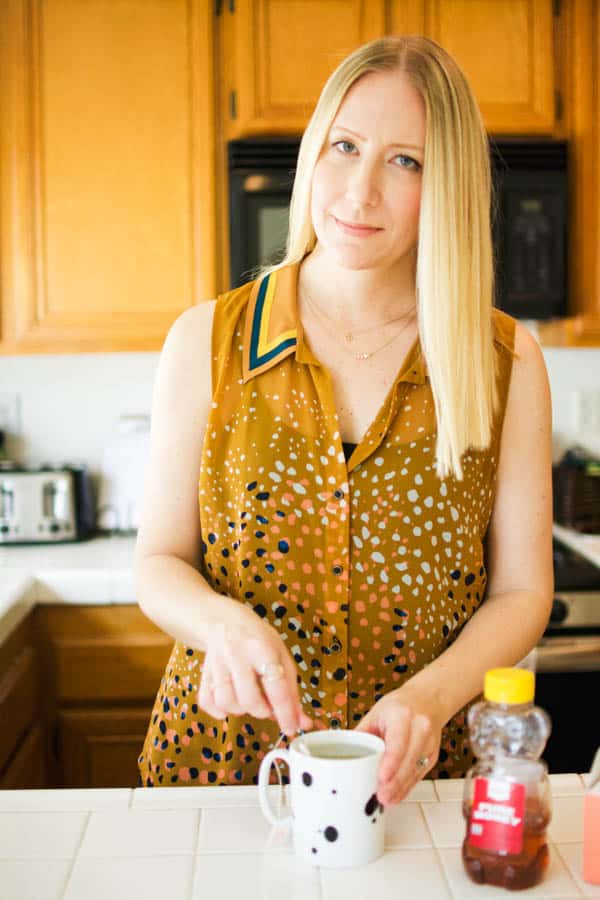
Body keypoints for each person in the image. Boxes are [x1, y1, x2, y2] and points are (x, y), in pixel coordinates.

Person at [135, 35, 553, 806]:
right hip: (222, 773)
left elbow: (524, 591)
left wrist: (429, 699)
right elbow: (158, 563)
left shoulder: (506, 360)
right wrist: (219, 623)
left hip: (414, 778)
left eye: (406, 162)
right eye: (345, 146)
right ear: (311, 155)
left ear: (448, 184)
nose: (359, 192)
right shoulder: (208, 341)